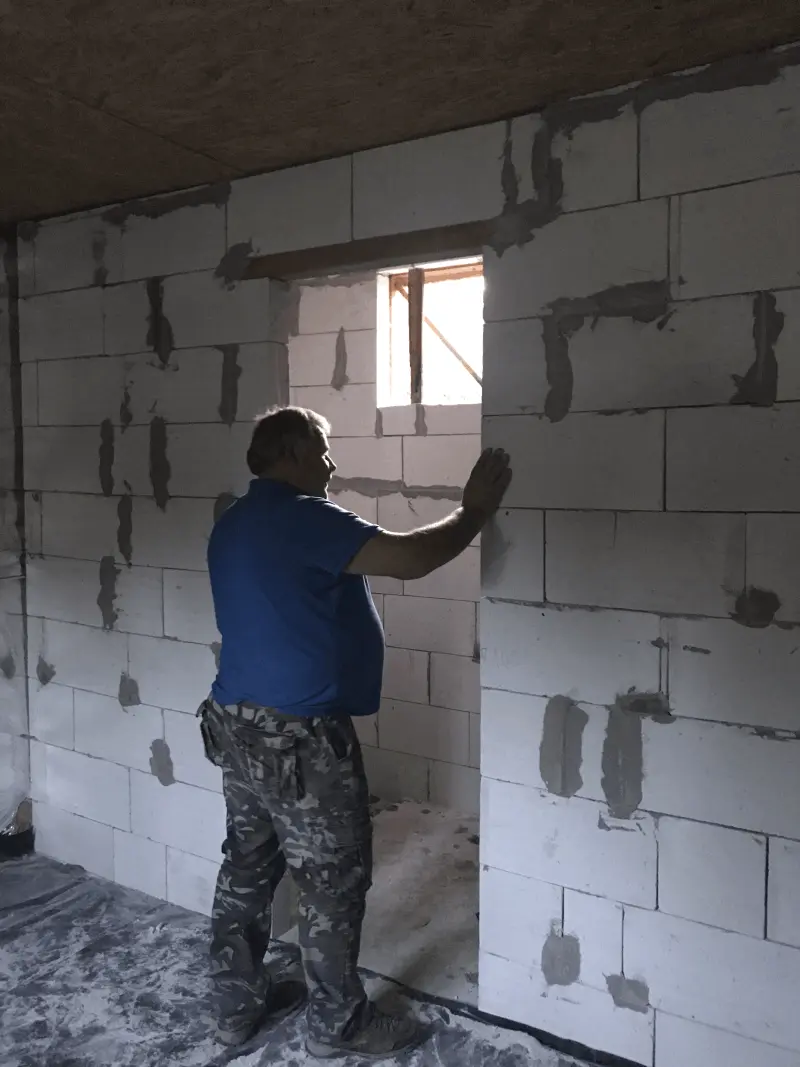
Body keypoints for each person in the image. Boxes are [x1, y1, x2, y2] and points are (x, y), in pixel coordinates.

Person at [198, 405, 511, 1056]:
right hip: (299, 739)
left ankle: (234, 1008)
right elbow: (411, 558)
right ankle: (335, 1024)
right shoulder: (305, 518)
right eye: (322, 449)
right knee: (331, 882)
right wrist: (473, 511)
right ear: (289, 452)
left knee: (248, 868)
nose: (332, 463)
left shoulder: (232, 523)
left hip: (237, 725)